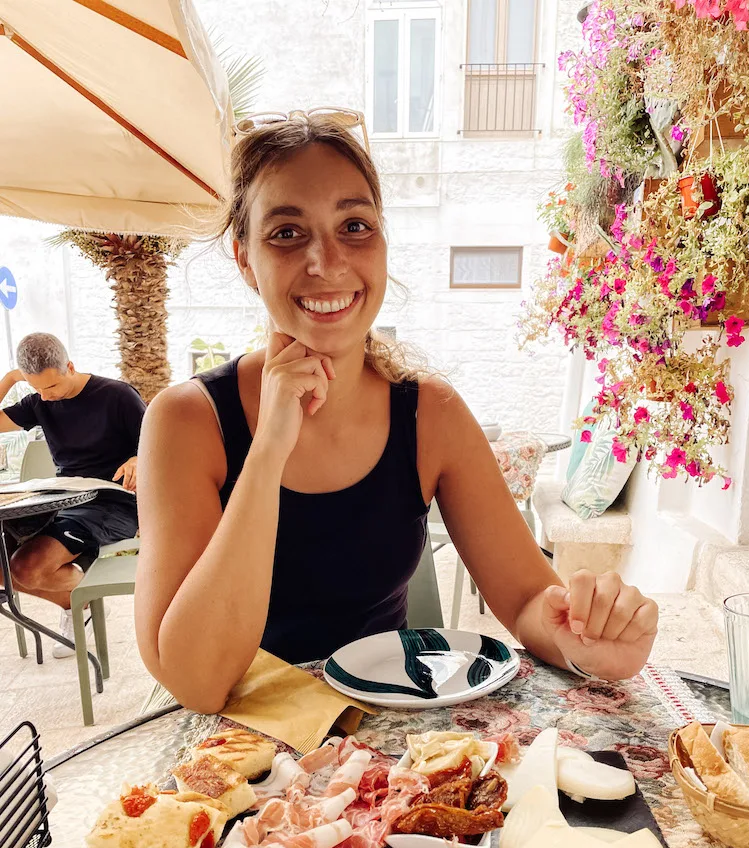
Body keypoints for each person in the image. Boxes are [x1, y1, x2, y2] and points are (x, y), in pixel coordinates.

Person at [135, 111, 658, 715]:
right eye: (285, 233)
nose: (326, 261)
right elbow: (197, 683)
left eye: (354, 226)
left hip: (386, 760)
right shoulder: (186, 422)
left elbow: (525, 600)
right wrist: (269, 446)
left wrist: (586, 639)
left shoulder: (429, 412)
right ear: (245, 259)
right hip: (232, 766)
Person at [0, 333, 145, 656]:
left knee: (26, 568)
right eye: (36, 388)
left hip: (113, 501)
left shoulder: (117, 395)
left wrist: (138, 458)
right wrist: (10, 379)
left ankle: (80, 603)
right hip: (65, 496)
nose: (46, 397)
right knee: (2, 566)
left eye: (51, 387)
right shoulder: (38, 401)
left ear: (69, 366)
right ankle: (78, 605)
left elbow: (159, 444)